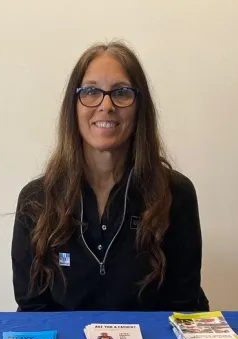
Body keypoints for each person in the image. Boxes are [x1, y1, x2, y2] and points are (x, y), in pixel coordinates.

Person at [11, 41, 209, 312]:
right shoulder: (36, 199)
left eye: (121, 92)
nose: (106, 105)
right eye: (91, 91)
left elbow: (183, 306)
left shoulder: (176, 194)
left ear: (140, 107)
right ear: (74, 105)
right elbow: (32, 307)